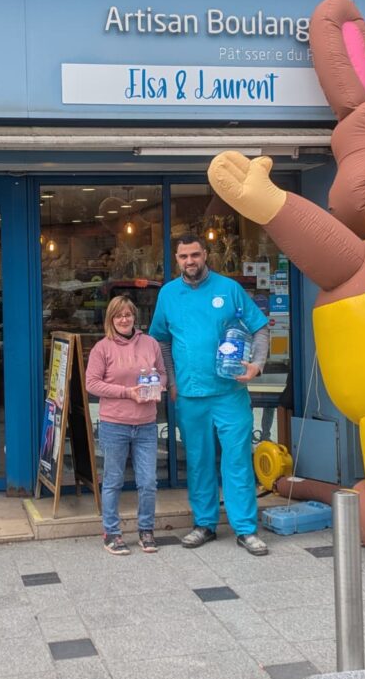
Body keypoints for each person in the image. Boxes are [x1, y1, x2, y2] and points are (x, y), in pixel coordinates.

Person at [149, 233, 270, 556]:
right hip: (189, 394)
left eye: (195, 255)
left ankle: (245, 529)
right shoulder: (168, 294)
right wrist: (172, 382)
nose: (190, 261)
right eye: (184, 257)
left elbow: (259, 327)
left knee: (237, 460)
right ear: (176, 260)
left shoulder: (228, 289)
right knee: (200, 462)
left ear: (206, 255)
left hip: (230, 392)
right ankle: (204, 524)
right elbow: (160, 341)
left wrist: (256, 364)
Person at [86, 295, 167, 555]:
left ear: (135, 316)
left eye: (128, 314)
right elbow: (92, 384)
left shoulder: (150, 343)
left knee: (148, 482)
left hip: (145, 424)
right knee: (113, 481)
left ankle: (146, 529)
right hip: (114, 423)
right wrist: (126, 392)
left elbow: (162, 373)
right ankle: (112, 532)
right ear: (111, 319)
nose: (124, 319)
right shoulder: (102, 348)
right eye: (118, 315)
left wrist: (160, 386)